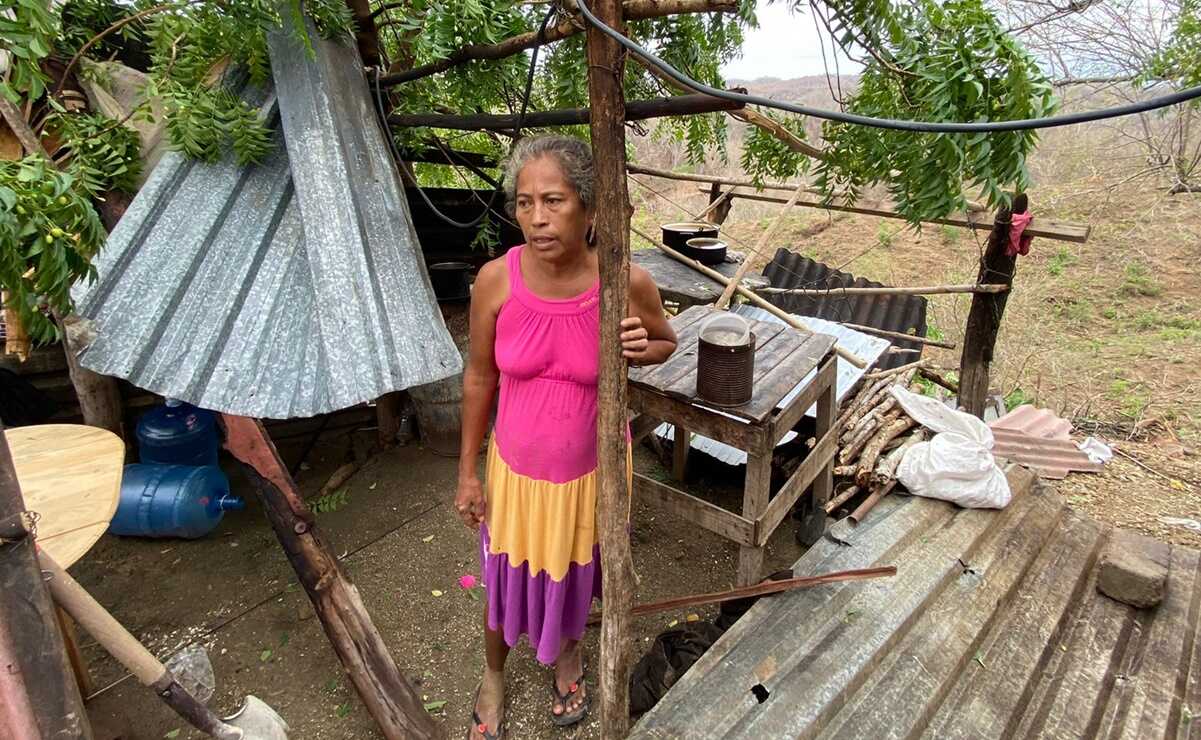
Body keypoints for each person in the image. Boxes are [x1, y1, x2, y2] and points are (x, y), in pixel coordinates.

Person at [455, 135, 677, 739]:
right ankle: (494, 676)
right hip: (515, 475)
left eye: (553, 200)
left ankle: (570, 653)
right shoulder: (495, 282)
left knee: (579, 571)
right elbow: (479, 376)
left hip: (592, 474)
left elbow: (664, 341)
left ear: (591, 209)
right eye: (525, 203)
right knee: (503, 580)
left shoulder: (625, 281)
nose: (536, 217)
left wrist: (642, 348)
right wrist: (468, 472)